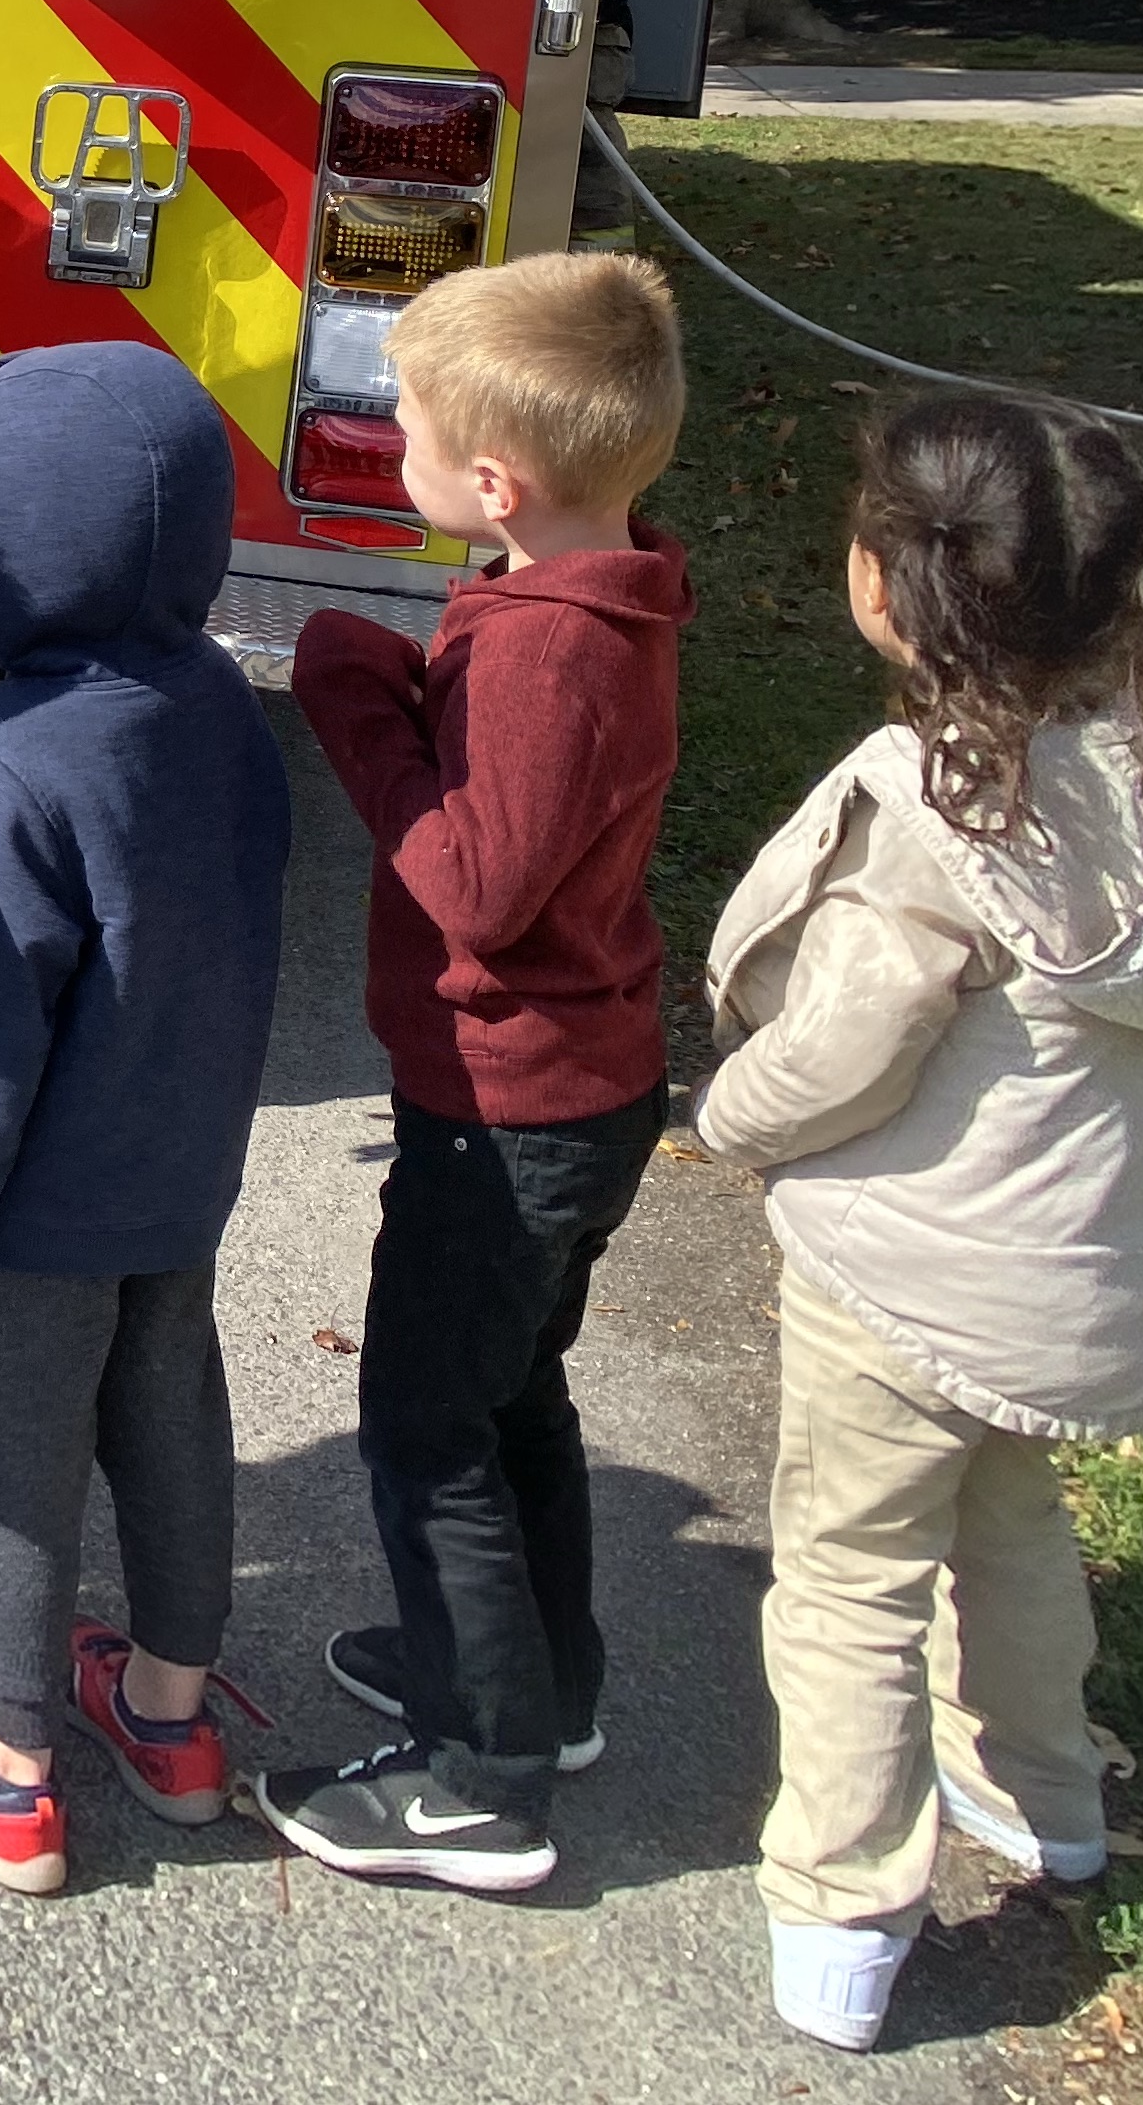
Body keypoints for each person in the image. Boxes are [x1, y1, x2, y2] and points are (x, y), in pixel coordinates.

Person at [695, 397, 1143, 2054]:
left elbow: (843, 1047)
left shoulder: (934, 808)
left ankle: (839, 1911)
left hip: (907, 1280)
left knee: (850, 1574)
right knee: (1008, 1523)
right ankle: (1042, 1796)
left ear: (886, 583)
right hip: (1077, 1268)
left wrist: (723, 1116)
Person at [264, 252, 694, 1894]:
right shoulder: (595, 592)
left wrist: (354, 700)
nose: (393, 448)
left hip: (504, 1114)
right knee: (512, 1393)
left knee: (423, 1427)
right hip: (578, 1088)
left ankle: (475, 1775)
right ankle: (536, 1682)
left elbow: (472, 883)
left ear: (495, 481)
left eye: (408, 431)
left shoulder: (536, 647)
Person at [0, 341, 291, 1896]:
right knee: (171, 1426)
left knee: (12, 1477)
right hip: (180, 1177)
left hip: (30, 1218)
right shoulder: (225, 710)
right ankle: (169, 1718)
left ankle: (8, 1772)